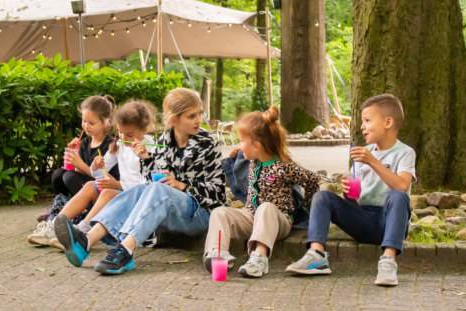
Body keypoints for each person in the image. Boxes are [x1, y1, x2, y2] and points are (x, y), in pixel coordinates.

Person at [53, 88, 226, 272]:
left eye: (199, 113)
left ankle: (125, 250)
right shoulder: (163, 142)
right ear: (173, 120)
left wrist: (182, 185)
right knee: (138, 189)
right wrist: (146, 159)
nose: (199, 120)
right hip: (168, 211)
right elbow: (150, 186)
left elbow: (218, 193)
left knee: (156, 189)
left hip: (200, 212)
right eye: (192, 116)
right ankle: (85, 241)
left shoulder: (208, 143)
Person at [287, 94, 415, 287]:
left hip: (388, 221)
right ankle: (316, 255)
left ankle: (388, 261)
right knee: (322, 196)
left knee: (398, 196)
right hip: (362, 219)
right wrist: (348, 192)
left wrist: (373, 161)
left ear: (388, 122)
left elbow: (402, 185)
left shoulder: (405, 152)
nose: (362, 126)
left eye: (367, 120)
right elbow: (355, 198)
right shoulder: (364, 153)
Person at [203, 106, 320, 278]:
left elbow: (312, 179)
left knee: (266, 207)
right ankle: (216, 252)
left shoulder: (284, 167)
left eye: (241, 141)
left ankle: (260, 258)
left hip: (278, 221)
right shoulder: (253, 161)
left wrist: (308, 205)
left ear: (257, 146)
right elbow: (239, 170)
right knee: (219, 212)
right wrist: (236, 156)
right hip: (252, 217)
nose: (239, 145)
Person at [49, 100, 157, 252]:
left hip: (136, 198)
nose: (123, 137)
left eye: (129, 134)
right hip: (121, 190)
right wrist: (97, 166)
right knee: (90, 186)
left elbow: (149, 185)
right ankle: (54, 226)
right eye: (120, 132)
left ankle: (81, 232)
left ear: (144, 130)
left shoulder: (150, 147)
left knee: (107, 192)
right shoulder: (119, 144)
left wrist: (118, 185)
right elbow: (98, 174)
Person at [28, 95, 120, 246]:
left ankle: (76, 216)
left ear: (105, 122)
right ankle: (58, 212)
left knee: (69, 176)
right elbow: (77, 173)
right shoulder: (85, 142)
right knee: (59, 174)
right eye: (84, 121)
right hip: (87, 185)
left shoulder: (110, 145)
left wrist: (80, 164)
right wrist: (74, 153)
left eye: (91, 123)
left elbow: (101, 177)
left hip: (104, 189)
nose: (86, 126)